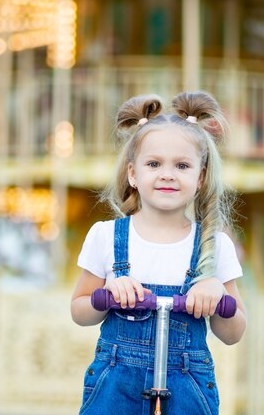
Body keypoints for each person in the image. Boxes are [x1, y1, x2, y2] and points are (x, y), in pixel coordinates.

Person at [70, 91, 247, 415]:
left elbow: (233, 333)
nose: (167, 174)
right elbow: (79, 310)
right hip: (117, 381)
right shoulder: (106, 236)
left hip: (187, 379)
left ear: (200, 177)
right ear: (133, 174)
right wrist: (107, 293)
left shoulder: (214, 245)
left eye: (182, 165)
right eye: (154, 164)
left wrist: (217, 292)